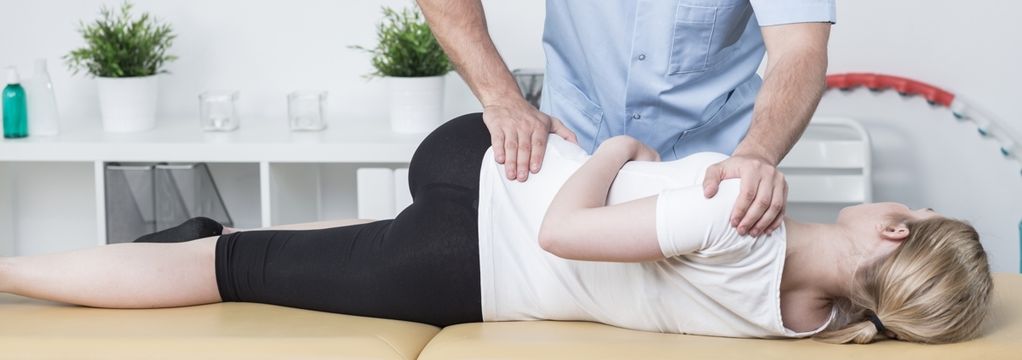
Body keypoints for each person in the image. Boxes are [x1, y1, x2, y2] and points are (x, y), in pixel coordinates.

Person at [0, 114, 991, 344]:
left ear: (894, 232)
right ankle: (195, 235)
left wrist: (605, 148)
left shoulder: (733, 211)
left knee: (226, 268)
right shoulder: (819, 327)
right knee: (278, 253)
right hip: (458, 238)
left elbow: (565, 231)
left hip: (475, 215)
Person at [417, 0, 834, 239]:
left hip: (711, 180)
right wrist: (502, 97)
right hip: (568, 161)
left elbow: (799, 48)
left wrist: (758, 151)